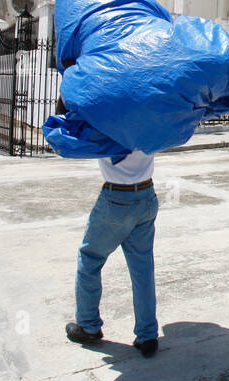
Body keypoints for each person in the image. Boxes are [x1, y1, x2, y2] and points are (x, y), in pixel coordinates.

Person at [64, 148, 161, 357]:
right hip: (146, 194)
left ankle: (88, 325)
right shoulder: (148, 119)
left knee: (90, 259)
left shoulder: (104, 120)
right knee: (142, 268)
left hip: (116, 198)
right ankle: (147, 335)